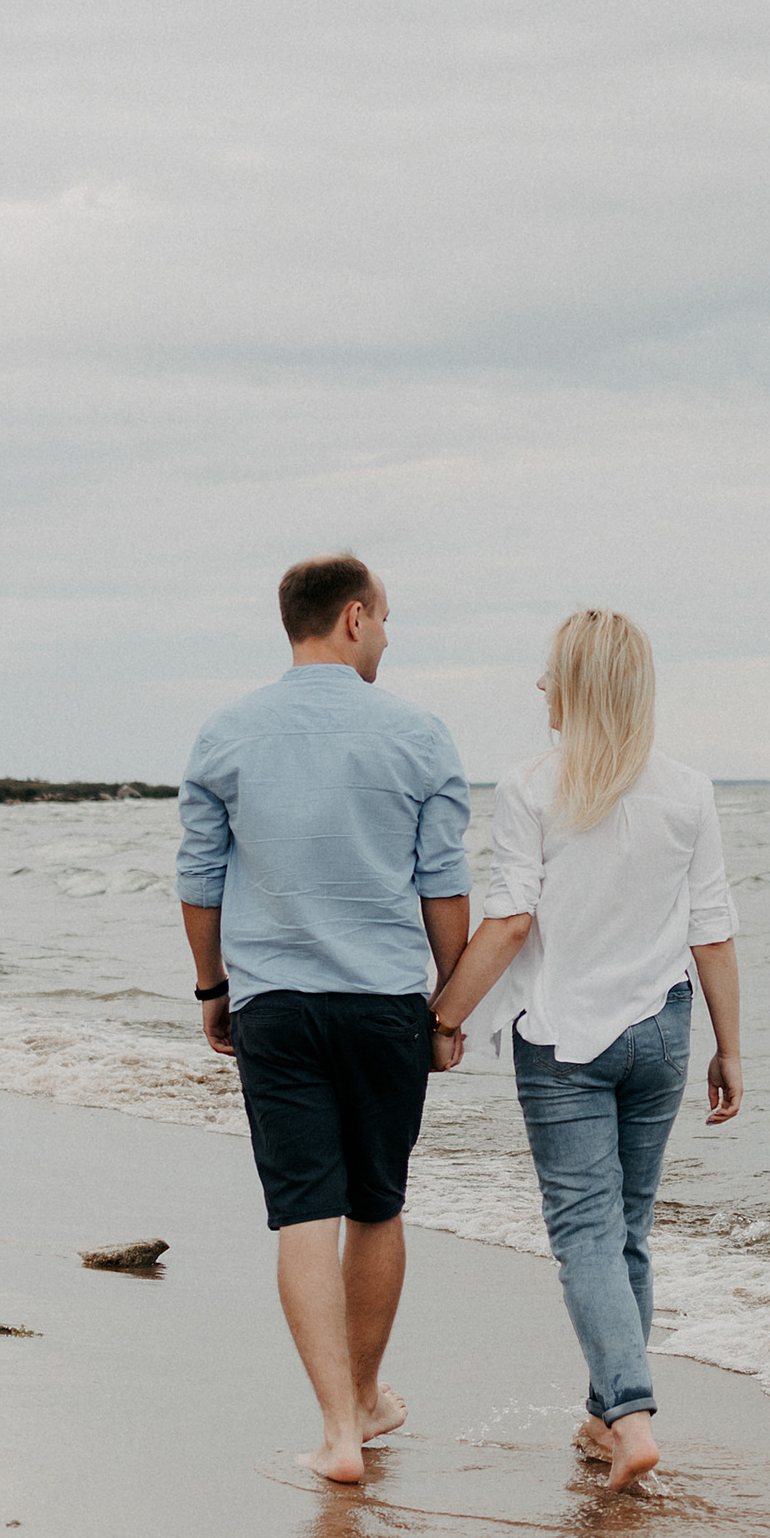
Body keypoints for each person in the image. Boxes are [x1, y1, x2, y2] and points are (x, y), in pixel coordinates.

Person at [427, 608, 739, 1491]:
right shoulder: (689, 789)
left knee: (585, 1233)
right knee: (627, 1228)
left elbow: (509, 919)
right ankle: (607, 1418)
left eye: (551, 672)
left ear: (580, 686)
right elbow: (712, 930)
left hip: (564, 1038)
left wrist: (443, 1019)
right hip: (662, 1031)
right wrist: (731, 1047)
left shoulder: (532, 785)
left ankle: (631, 1414)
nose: (539, 686)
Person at [178, 555, 472, 1485]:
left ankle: (339, 1431)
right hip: (385, 1005)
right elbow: (443, 884)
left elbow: (200, 878)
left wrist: (212, 989)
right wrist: (449, 1006)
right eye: (383, 618)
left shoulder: (226, 733)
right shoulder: (419, 734)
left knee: (304, 1210)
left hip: (274, 1004)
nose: (385, 635)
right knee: (377, 1204)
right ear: (353, 616)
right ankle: (370, 1394)